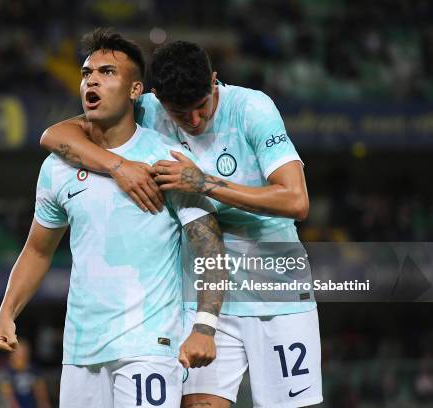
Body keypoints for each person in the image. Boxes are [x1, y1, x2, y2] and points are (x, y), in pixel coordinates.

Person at [40, 40, 322, 407]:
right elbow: (55, 135)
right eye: (179, 112)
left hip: (277, 291)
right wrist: (117, 166)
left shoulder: (252, 108)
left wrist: (205, 184)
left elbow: (296, 201)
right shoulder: (149, 109)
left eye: (201, 107)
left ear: (214, 81)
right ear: (157, 97)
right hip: (202, 297)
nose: (192, 121)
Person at [0, 29, 227, 408]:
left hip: (148, 347)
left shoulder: (166, 160)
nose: (92, 81)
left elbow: (210, 247)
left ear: (136, 91)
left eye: (107, 72)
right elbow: (37, 250)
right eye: (87, 73)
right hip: (80, 352)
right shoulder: (58, 168)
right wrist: (7, 312)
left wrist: (204, 327)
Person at [0, 339, 52, 408]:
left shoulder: (34, 370)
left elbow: (41, 393)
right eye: (18, 351)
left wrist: (44, 403)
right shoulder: (7, 372)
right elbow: (8, 396)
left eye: (24, 351)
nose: (21, 354)